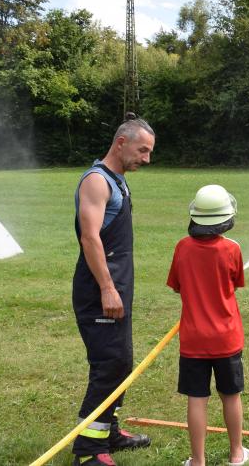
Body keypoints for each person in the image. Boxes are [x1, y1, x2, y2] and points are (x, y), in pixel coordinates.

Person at [71, 114, 155, 466]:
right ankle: (88, 451)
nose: (146, 159)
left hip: (118, 286)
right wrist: (107, 288)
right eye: (142, 150)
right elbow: (89, 237)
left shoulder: (118, 180)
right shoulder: (97, 181)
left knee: (120, 363)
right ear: (121, 143)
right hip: (99, 289)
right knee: (109, 364)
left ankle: (109, 432)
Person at [167, 184, 249, 466]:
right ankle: (236, 453)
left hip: (193, 340)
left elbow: (177, 286)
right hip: (227, 339)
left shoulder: (182, 247)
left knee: (196, 398)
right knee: (231, 396)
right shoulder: (232, 249)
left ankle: (198, 460)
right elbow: (235, 284)